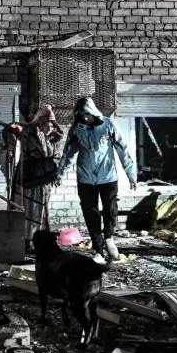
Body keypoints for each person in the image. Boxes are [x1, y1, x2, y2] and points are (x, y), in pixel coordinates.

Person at [58, 96, 137, 263]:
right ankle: (98, 249)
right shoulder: (76, 129)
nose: (84, 118)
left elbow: (122, 149)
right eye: (81, 116)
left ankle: (108, 237)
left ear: (93, 113)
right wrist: (60, 173)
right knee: (90, 213)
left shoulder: (108, 125)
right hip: (85, 178)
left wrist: (131, 174)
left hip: (107, 176)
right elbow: (69, 153)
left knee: (110, 209)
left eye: (86, 115)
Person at [10, 105, 64, 250]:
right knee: (27, 209)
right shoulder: (30, 137)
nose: (50, 129)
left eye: (52, 126)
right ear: (40, 125)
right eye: (47, 125)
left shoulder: (53, 140)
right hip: (29, 177)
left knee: (41, 211)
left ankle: (38, 241)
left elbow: (57, 159)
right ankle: (26, 240)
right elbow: (14, 128)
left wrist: (57, 175)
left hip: (44, 180)